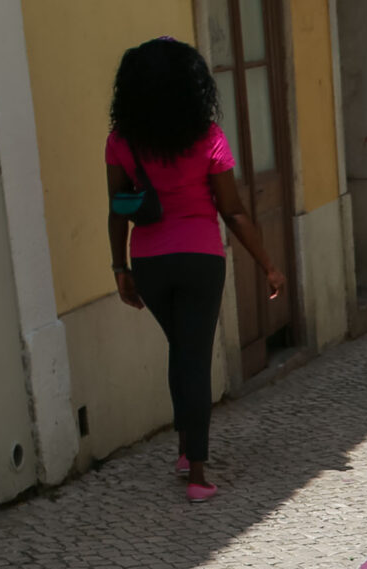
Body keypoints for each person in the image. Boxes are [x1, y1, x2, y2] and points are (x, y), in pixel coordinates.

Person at [105, 37, 285, 503]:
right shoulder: (208, 137)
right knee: (194, 356)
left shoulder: (121, 141)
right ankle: (199, 474)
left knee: (180, 349)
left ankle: (185, 448)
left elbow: (117, 209)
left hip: (149, 262)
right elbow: (235, 211)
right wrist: (268, 265)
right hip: (201, 259)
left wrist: (119, 267)